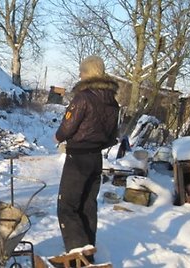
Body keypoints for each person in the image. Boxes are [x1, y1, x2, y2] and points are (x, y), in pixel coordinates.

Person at [54, 55, 119, 263]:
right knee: (88, 205)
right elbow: (112, 134)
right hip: (96, 158)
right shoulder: (112, 101)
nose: (80, 74)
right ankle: (88, 252)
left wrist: (59, 137)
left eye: (82, 71)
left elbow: (68, 126)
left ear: (89, 73)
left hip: (78, 159)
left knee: (67, 206)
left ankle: (77, 256)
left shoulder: (83, 97)